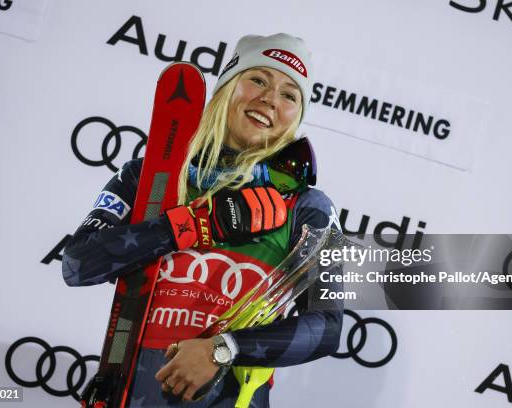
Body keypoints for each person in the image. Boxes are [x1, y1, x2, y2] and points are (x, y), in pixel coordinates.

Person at [63, 33, 344, 407]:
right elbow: (78, 264)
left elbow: (326, 328)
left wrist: (222, 349)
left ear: (296, 117)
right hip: (129, 393)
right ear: (227, 86)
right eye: (258, 79)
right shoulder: (149, 177)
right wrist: (190, 225)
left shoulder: (309, 206)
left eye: (290, 95)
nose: (270, 99)